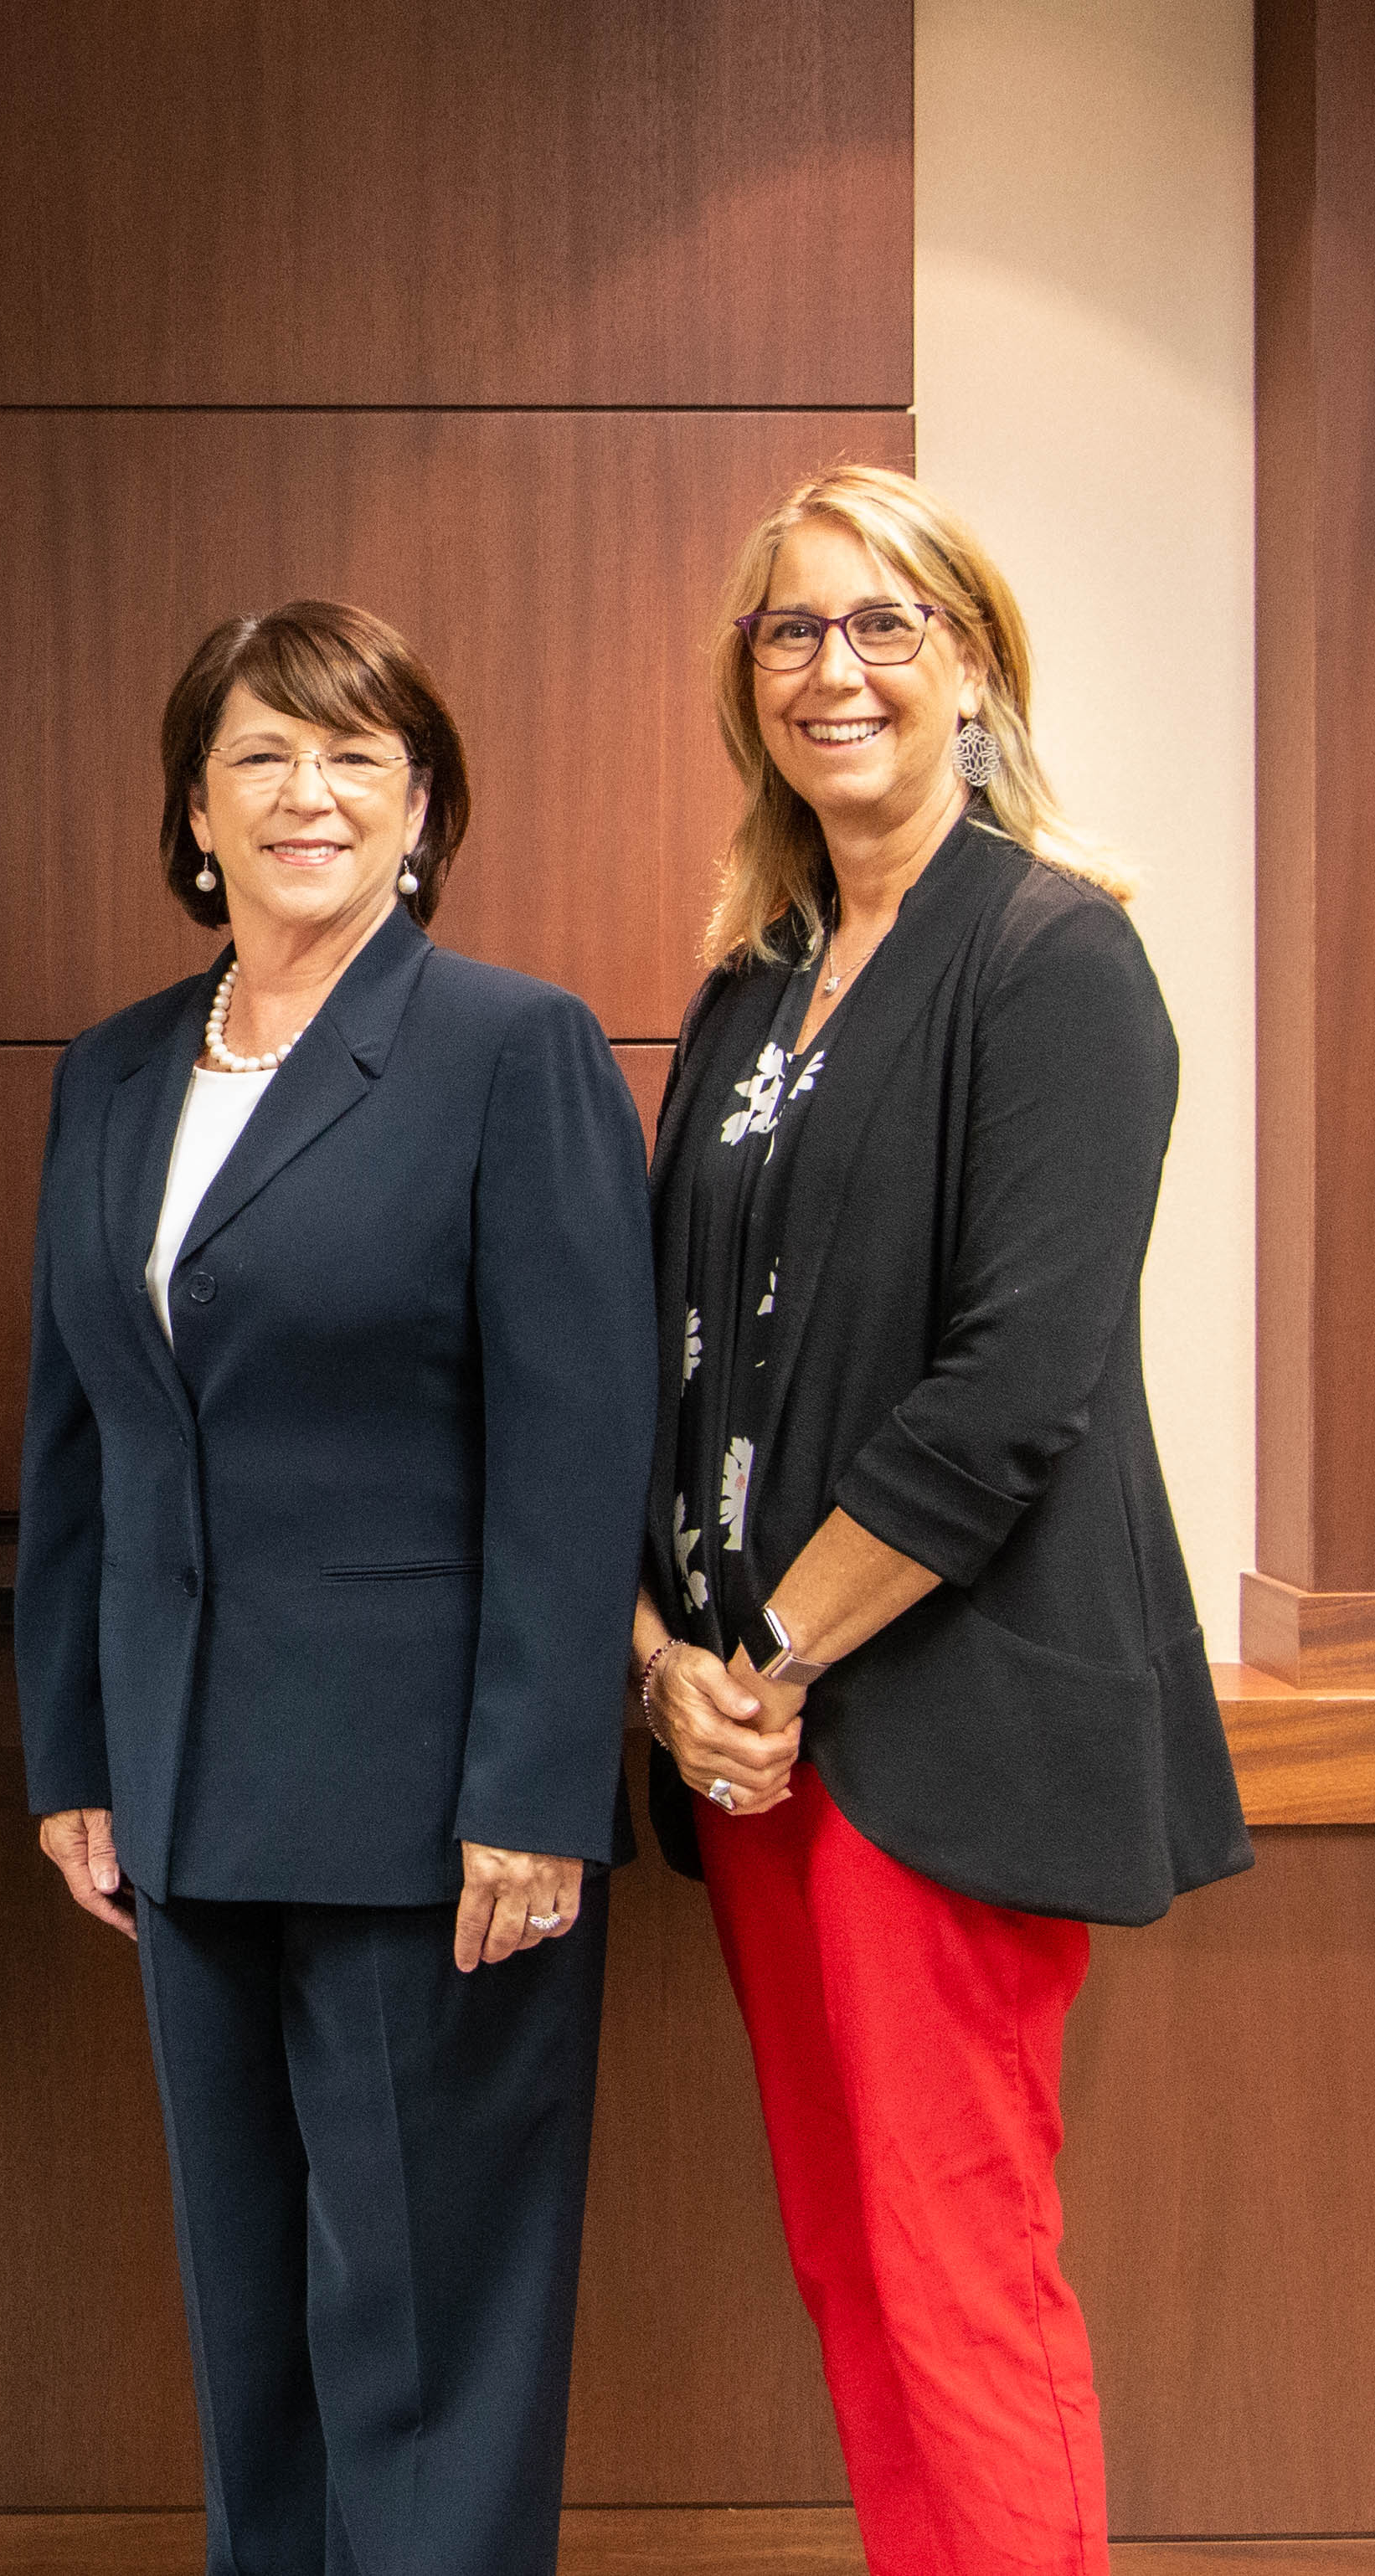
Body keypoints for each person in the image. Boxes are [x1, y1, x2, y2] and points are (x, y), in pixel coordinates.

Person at [633, 464, 1252, 2575]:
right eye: (794, 630)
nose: (839, 670)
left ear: (974, 661)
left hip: (937, 1722)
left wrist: (771, 1656)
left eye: (888, 623)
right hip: (750, 1739)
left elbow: (1013, 1396)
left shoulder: (1056, 957)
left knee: (961, 2274)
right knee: (846, 2260)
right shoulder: (755, 987)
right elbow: (679, 1345)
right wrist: (677, 1668)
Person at [17, 601, 657, 2576]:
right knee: (256, 2331)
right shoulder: (117, 1072)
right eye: (263, 756)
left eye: (357, 756)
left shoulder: (509, 1050)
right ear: (193, 812)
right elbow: (78, 1437)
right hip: (188, 1797)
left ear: (423, 807)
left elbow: (581, 1446)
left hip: (431, 1818)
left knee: (425, 2337)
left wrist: (538, 1790)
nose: (309, 794)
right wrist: (72, 1754)